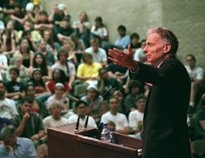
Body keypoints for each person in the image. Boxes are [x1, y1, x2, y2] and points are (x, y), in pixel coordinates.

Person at [108, 27, 191, 158]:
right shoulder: (166, 71)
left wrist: (134, 66)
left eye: (150, 44)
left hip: (167, 148)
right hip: (162, 146)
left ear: (166, 48)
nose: (145, 49)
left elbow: (159, 76)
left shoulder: (173, 66)